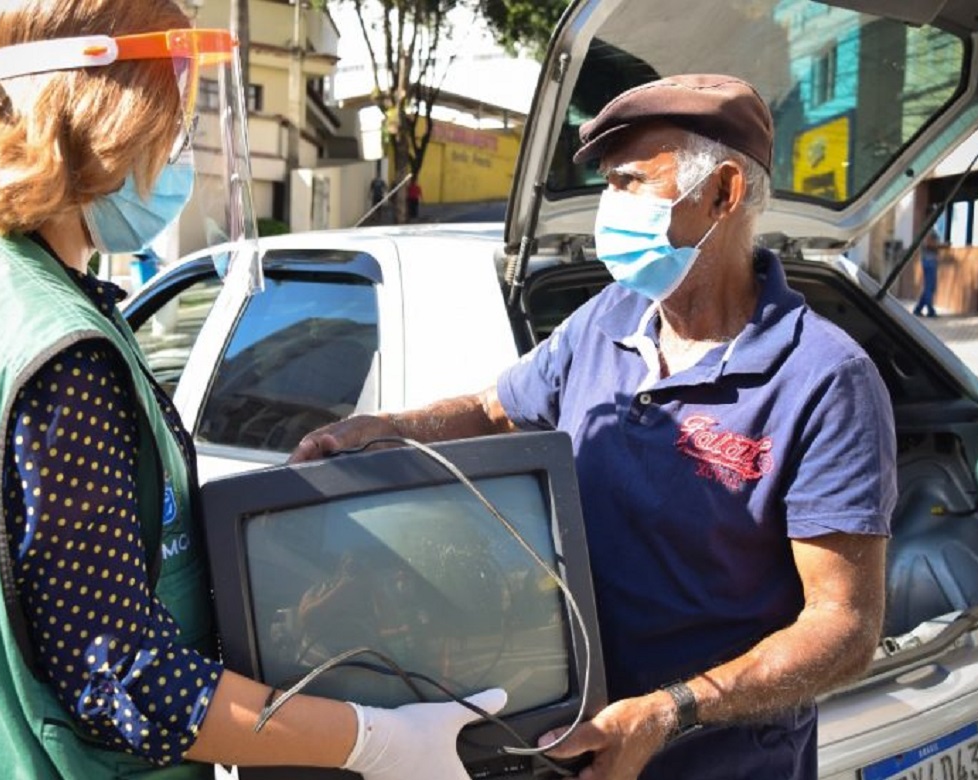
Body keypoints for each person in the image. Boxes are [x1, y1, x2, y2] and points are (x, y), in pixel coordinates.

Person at [0, 1, 504, 778]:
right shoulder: (59, 351)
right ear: (104, 114)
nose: (178, 150)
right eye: (170, 122)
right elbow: (127, 678)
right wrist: (371, 739)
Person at [291, 74, 896, 780]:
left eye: (631, 182)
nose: (609, 207)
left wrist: (670, 710)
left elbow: (846, 628)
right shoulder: (608, 320)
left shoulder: (824, 379)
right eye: (607, 184)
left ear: (723, 194)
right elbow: (495, 408)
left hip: (720, 763)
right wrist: (384, 426)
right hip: (569, 744)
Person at [913, 220, 945, 317]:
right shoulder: (929, 230)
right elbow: (929, 244)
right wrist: (942, 246)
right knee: (930, 287)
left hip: (928, 261)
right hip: (929, 261)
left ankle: (918, 309)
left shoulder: (927, 229)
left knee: (929, 287)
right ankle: (930, 310)